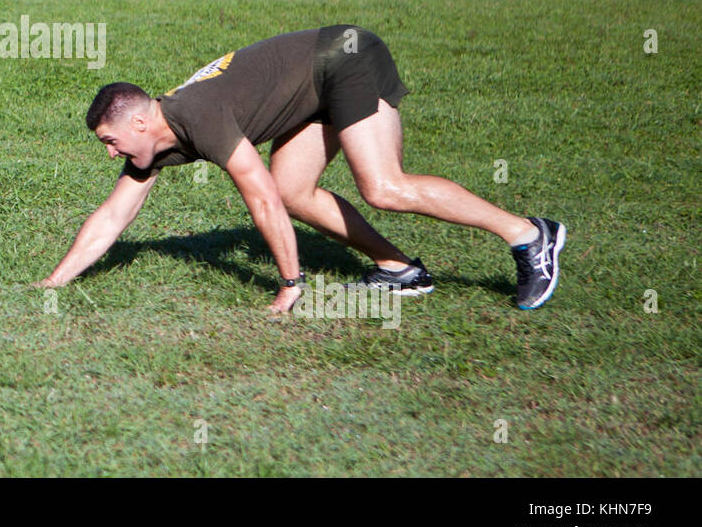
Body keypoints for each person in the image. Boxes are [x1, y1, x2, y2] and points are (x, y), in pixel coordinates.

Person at [37, 25, 565, 314]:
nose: (109, 153)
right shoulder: (152, 141)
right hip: (313, 88)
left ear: (137, 121)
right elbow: (112, 216)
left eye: (110, 141)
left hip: (346, 57)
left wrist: (291, 283)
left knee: (383, 186)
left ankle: (528, 235)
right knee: (295, 190)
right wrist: (55, 283)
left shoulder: (195, 115)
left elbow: (257, 196)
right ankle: (399, 270)